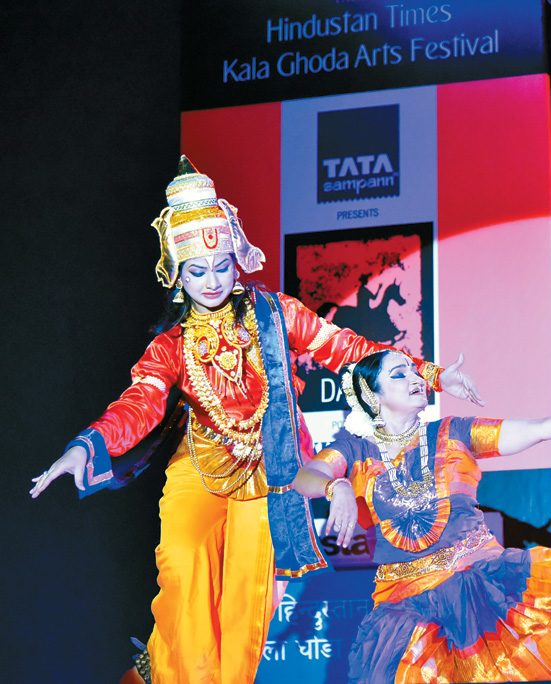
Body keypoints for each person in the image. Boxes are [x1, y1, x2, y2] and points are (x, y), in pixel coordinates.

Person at [28, 157, 483, 684]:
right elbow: (140, 403)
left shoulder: (273, 313)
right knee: (183, 570)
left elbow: (346, 348)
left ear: (235, 258)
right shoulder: (170, 346)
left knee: (248, 606)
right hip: (199, 469)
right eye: (197, 271)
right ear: (177, 270)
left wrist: (429, 375)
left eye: (222, 266)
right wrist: (86, 447)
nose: (213, 280)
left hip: (272, 473)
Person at [293, 350, 551, 682]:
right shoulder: (356, 451)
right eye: (399, 374)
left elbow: (538, 428)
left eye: (416, 371)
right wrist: (335, 487)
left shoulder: (453, 433)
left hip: (481, 584)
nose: (416, 378)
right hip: (405, 604)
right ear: (374, 396)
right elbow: (306, 477)